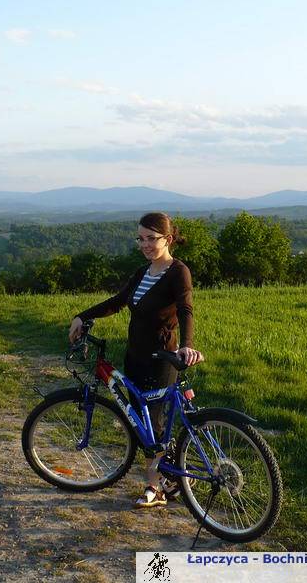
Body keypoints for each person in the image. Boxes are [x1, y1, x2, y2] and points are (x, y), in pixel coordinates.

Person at [69, 212, 204, 508]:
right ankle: (170, 478)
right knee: (142, 424)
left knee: (152, 426)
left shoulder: (177, 271)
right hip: (135, 358)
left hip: (161, 359)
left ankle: (154, 489)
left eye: (150, 238)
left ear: (167, 239)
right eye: (140, 238)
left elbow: (186, 310)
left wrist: (187, 346)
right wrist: (82, 315)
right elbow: (117, 302)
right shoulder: (142, 272)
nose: (144, 244)